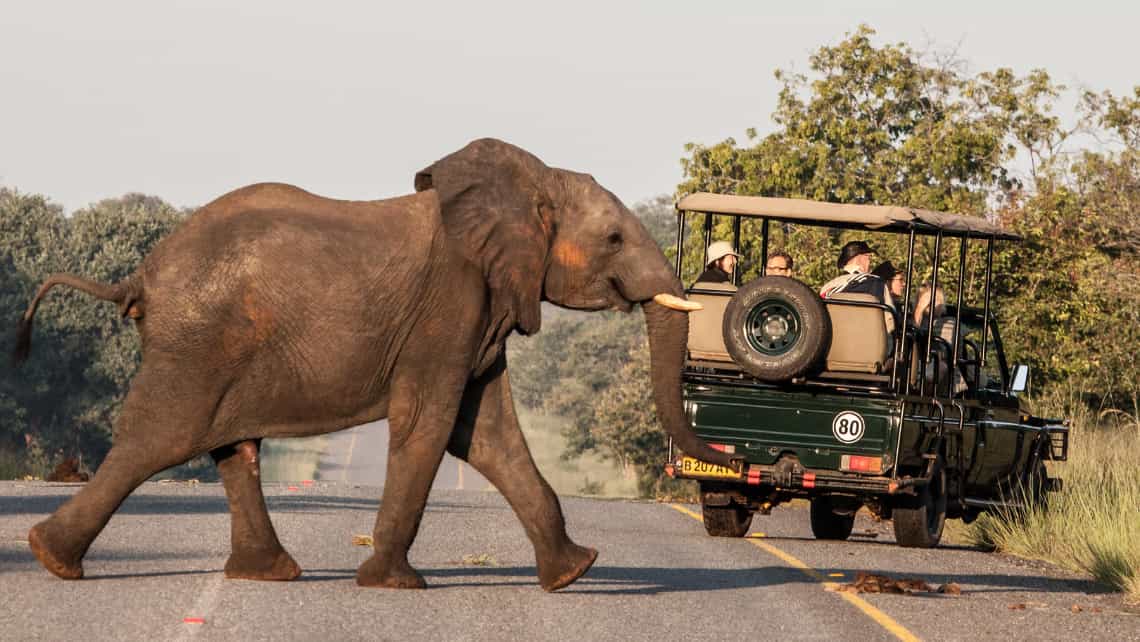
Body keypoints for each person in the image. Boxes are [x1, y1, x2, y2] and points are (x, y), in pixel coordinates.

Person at [819, 240, 896, 332]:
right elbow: (890, 322)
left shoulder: (827, 287)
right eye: (868, 257)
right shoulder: (876, 283)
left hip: (835, 343)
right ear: (859, 258)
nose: (870, 262)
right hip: (870, 342)